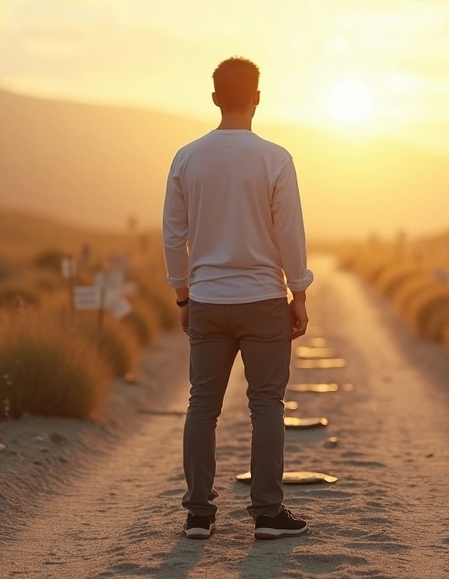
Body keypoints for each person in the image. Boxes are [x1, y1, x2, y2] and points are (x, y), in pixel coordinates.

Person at [162, 57, 314, 541]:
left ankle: (199, 515)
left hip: (207, 300)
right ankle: (268, 513)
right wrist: (300, 292)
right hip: (264, 299)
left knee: (202, 404)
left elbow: (172, 234)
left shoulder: (187, 157)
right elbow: (290, 233)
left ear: (213, 98)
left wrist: (184, 297)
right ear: (257, 98)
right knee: (267, 404)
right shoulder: (275, 158)